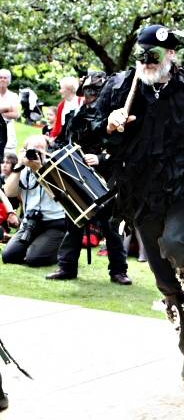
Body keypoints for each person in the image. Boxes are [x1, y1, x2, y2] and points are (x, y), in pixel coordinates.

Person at [93, 24, 184, 381]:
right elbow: (87, 128)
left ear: (171, 55)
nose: (145, 61)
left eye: (153, 55)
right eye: (141, 55)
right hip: (140, 192)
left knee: (177, 242)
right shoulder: (119, 88)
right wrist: (110, 125)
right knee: (162, 273)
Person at [46, 71, 132, 285]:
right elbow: (60, 142)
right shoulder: (74, 117)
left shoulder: (113, 117)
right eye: (88, 91)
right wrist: (65, 155)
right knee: (74, 222)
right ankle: (67, 267)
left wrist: (101, 158)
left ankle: (118, 271)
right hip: (77, 177)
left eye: (95, 91)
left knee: (111, 228)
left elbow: (124, 149)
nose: (91, 95)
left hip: (104, 179)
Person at [2, 135, 66, 267]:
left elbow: (59, 195)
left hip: (55, 224)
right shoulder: (23, 169)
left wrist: (39, 170)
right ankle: (39, 245)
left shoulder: (57, 167)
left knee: (34, 259)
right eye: (31, 150)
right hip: (30, 223)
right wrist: (19, 166)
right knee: (9, 256)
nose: (35, 154)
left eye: (39, 150)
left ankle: (60, 249)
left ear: (48, 151)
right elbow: (9, 192)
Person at [0, 69, 20, 154]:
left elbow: (16, 114)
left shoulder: (13, 96)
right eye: (0, 77)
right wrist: (7, 108)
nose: (2, 79)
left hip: (8, 129)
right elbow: (12, 111)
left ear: (9, 80)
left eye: (5, 78)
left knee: (9, 156)